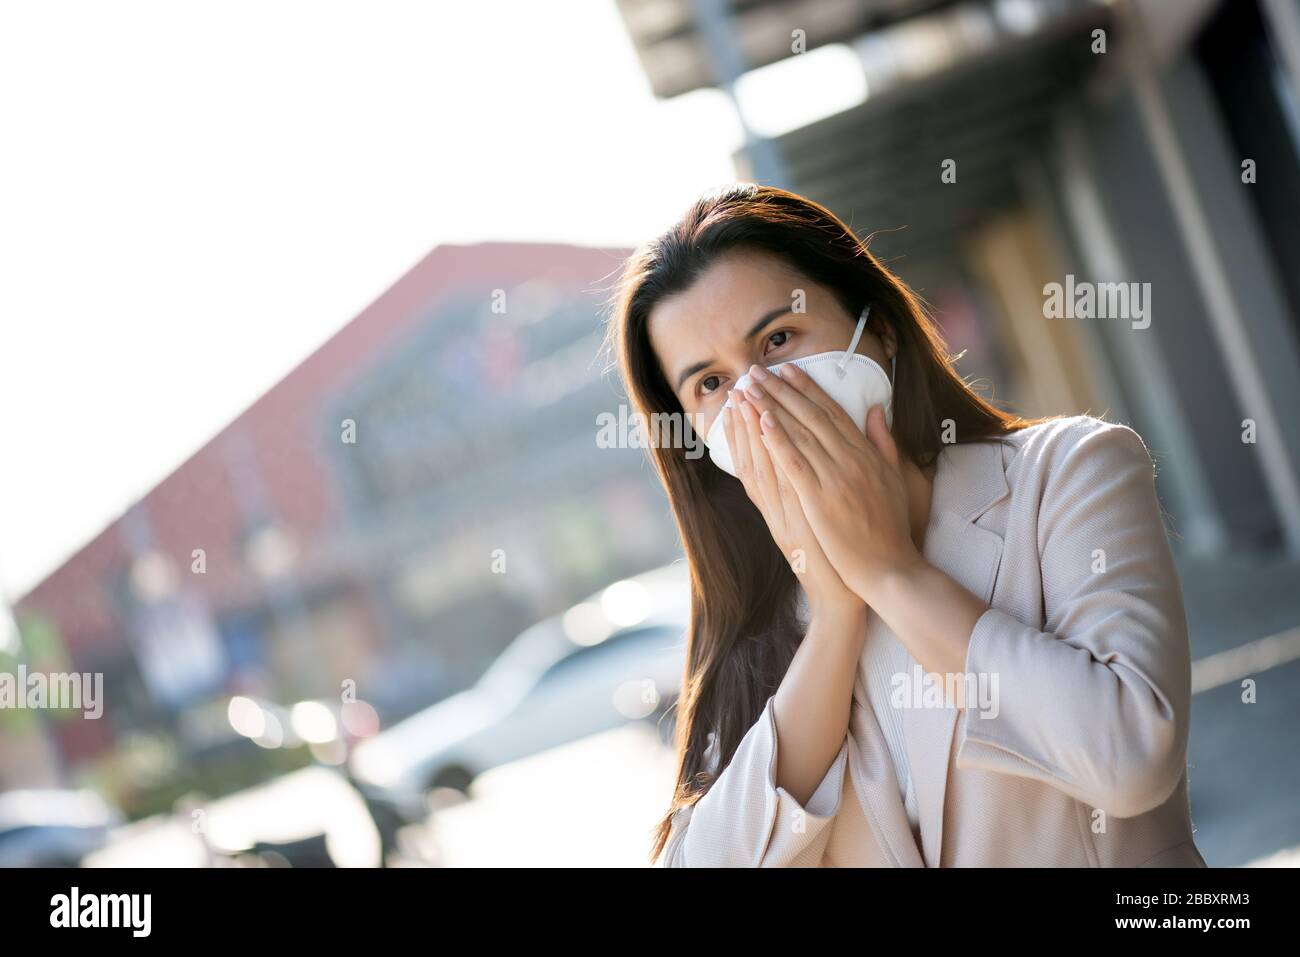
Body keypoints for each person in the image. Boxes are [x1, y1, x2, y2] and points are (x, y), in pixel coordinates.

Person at [605, 183, 1206, 867]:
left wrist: (891, 571)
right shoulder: (757, 622)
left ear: (878, 329)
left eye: (777, 338)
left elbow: (1128, 758)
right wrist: (834, 618)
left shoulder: (1067, 473)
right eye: (710, 384)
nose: (757, 397)